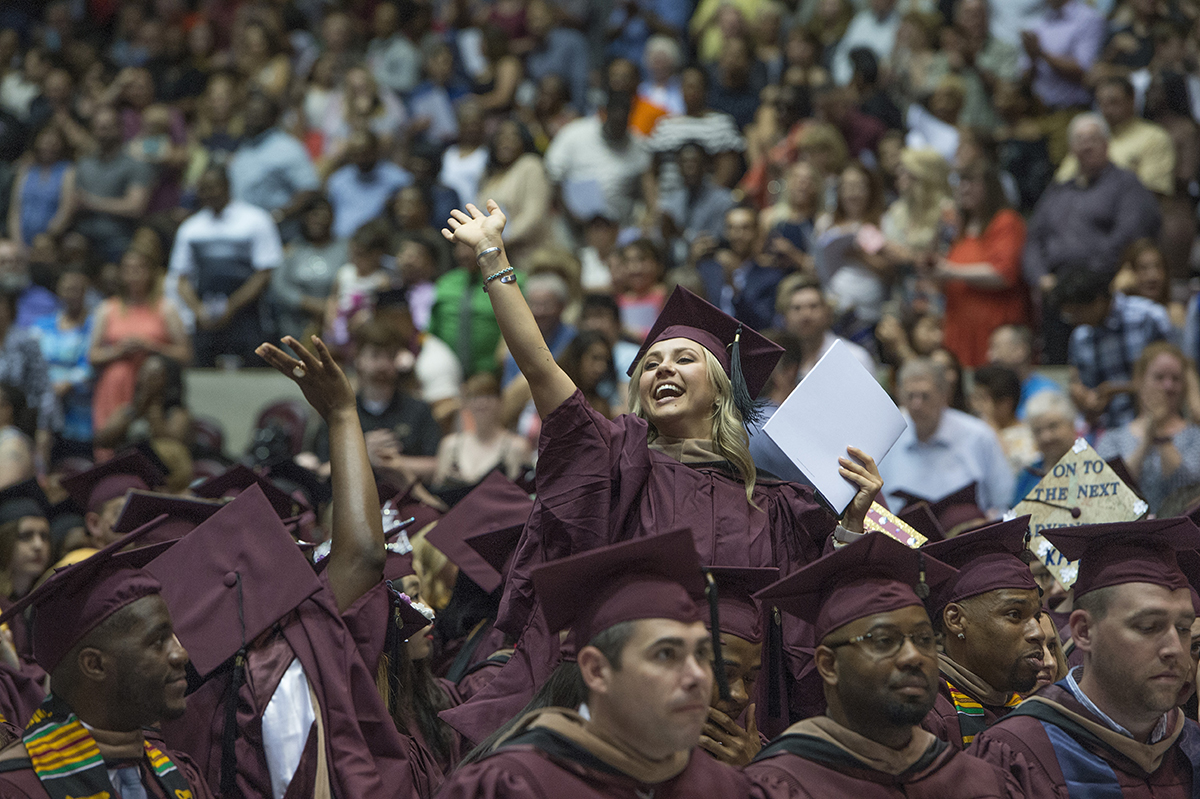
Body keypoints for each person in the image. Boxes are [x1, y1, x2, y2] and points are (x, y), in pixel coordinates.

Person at [438, 200, 883, 745]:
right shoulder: (618, 462)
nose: (663, 368)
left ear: (722, 388)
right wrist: (492, 256)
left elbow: (811, 625)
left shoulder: (779, 507)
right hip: (622, 725)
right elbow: (539, 367)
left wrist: (850, 524)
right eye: (651, 363)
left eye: (683, 359)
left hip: (738, 732)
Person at [438, 529, 752, 798]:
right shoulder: (513, 785)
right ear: (596, 670)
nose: (697, 675)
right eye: (666, 654)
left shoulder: (723, 785)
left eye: (701, 655)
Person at [746, 532, 1023, 798]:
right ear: (828, 665)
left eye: (924, 639)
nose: (913, 656)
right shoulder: (780, 785)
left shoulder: (981, 780)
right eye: (883, 641)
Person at [972, 517, 1200, 798]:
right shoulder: (1016, 754)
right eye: (1148, 627)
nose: (1175, 649)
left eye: (1184, 628)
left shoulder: (1191, 746)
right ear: (1084, 631)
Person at [0, 514, 213, 799]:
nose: (181, 654)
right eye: (157, 641)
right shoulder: (17, 788)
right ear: (94, 664)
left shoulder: (179, 775)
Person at [1023, 113, 1162, 364]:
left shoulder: (1126, 184)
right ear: (1071, 149)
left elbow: (1128, 235)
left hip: (1101, 290)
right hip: (1055, 289)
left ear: (1107, 144)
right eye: (1079, 140)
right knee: (1057, 362)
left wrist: (1082, 280)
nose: (1086, 145)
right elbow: (1033, 239)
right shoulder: (1058, 190)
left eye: (1093, 139)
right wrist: (1040, 276)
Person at [919, 517, 1046, 749]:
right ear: (955, 620)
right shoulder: (924, 718)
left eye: (1037, 617)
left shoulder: (1033, 709)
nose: (1038, 632)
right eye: (1014, 614)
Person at [167, 166, 281, 368]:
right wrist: (198, 310)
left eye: (212, 188)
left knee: (254, 369)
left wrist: (231, 307)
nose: (207, 194)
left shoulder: (255, 220)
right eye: (203, 189)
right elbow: (181, 278)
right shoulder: (191, 228)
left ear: (227, 187)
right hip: (206, 314)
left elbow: (264, 273)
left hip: (247, 313)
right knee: (202, 372)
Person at [310, 319, 441, 484]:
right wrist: (363, 455)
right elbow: (323, 471)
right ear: (358, 359)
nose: (383, 365)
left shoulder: (418, 409)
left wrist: (394, 462)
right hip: (355, 501)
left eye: (390, 357)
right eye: (375, 355)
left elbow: (436, 467)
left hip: (405, 499)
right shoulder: (339, 412)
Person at [879, 358, 1013, 516]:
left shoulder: (978, 435)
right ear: (899, 396)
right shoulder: (886, 437)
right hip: (901, 535)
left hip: (967, 535)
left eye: (925, 396)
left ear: (944, 396)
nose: (917, 405)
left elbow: (1004, 502)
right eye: (910, 396)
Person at [934, 160, 1029, 369]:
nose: (964, 189)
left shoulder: (1005, 221)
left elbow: (1003, 273)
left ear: (990, 186)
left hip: (993, 328)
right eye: (961, 182)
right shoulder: (960, 228)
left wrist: (950, 271)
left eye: (971, 182)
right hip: (959, 327)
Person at [89, 244, 189, 438]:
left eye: (139, 268)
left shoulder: (166, 308)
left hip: (156, 387)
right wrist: (119, 350)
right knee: (109, 441)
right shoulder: (107, 308)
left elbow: (185, 355)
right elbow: (93, 355)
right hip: (115, 385)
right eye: (128, 269)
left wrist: (151, 346)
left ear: (151, 272)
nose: (133, 274)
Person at [1059, 265, 1174, 432]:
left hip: (1155, 427)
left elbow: (1173, 380)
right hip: (1106, 433)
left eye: (1077, 312)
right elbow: (1080, 384)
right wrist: (1083, 396)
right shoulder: (1080, 336)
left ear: (1098, 301)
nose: (1074, 320)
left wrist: (1116, 389)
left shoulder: (1149, 317)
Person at [1096, 342, 1200, 514]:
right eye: (1159, 378)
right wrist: (1147, 438)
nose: (1168, 386)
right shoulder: (1112, 438)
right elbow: (1111, 492)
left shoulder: (1195, 437)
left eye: (1176, 379)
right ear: (1139, 381)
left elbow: (1189, 489)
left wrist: (1161, 434)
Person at [699, 566, 778, 768]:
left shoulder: (762, 757)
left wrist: (753, 772)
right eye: (725, 675)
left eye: (750, 679)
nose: (741, 695)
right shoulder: (625, 758)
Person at [544, 92, 651, 227]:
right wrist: (570, 212)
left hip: (617, 226)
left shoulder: (638, 145)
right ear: (602, 114)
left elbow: (648, 186)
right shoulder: (574, 133)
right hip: (571, 220)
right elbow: (552, 175)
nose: (618, 127)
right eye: (614, 121)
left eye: (622, 122)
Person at [1057, 76, 1176, 197]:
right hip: (1081, 207)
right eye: (1101, 103)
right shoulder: (1089, 140)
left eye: (1113, 102)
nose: (1107, 110)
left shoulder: (1154, 137)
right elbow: (1061, 182)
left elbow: (1153, 190)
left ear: (1132, 100)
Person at [227, 92, 320, 235]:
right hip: (243, 233)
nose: (250, 118)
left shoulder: (288, 147)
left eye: (257, 114)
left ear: (272, 118)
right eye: (248, 113)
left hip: (279, 236)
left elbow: (309, 189)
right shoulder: (243, 148)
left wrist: (279, 215)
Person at [71, 105, 152, 263]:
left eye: (108, 127)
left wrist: (92, 203)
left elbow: (135, 206)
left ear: (120, 128)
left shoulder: (135, 164)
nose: (103, 133)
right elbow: (74, 201)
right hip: (84, 236)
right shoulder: (84, 164)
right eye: (99, 128)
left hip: (118, 238)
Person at [32, 268, 92, 460]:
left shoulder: (94, 325)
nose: (71, 295)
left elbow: (91, 364)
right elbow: (33, 361)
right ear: (58, 291)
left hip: (79, 403)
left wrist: (68, 383)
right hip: (44, 397)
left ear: (85, 292)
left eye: (77, 289)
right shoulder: (42, 325)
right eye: (67, 289)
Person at [270, 195, 349, 342]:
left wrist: (331, 307)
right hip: (295, 325)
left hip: (334, 325)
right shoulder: (292, 250)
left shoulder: (345, 249)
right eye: (313, 214)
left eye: (324, 215)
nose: (318, 220)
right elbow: (279, 286)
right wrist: (307, 303)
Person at [434, 374, 532, 489]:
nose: (482, 403)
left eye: (489, 397)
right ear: (466, 403)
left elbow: (522, 497)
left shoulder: (516, 447)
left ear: (500, 401)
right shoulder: (450, 445)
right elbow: (438, 490)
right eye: (475, 397)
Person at [476, 120, 552, 265]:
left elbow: (533, 216)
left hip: (529, 255)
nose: (506, 142)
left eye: (513, 137)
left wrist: (502, 240)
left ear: (523, 141)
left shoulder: (531, 165)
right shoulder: (488, 175)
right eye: (501, 137)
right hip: (495, 256)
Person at [779, 275, 876, 382]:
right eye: (797, 308)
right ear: (784, 317)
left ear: (827, 312)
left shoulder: (853, 358)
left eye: (813, 306)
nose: (805, 315)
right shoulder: (779, 362)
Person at [325, 129, 411, 241]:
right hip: (342, 242)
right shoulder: (338, 180)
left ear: (376, 151)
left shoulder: (398, 180)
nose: (361, 159)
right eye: (356, 154)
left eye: (365, 153)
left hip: (380, 244)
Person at [7, 124, 74, 247]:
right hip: (21, 238)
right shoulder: (26, 170)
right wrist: (17, 242)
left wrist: (48, 236)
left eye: (53, 144)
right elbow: (15, 209)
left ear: (61, 145)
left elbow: (66, 209)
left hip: (50, 241)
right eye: (44, 143)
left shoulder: (67, 171)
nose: (48, 148)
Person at [1012, 391, 1079, 507]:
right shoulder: (1028, 475)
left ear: (1071, 425)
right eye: (1038, 431)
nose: (1046, 437)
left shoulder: (1093, 467)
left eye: (1053, 426)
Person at [970, 364, 1038, 476]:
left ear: (1006, 404)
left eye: (982, 399)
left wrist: (990, 424)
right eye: (974, 397)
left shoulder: (1029, 437)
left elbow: (1015, 474)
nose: (975, 405)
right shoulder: (972, 430)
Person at [986, 325, 1061, 420]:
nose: (990, 356)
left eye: (996, 347)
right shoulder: (990, 392)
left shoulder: (1046, 392)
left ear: (1020, 351)